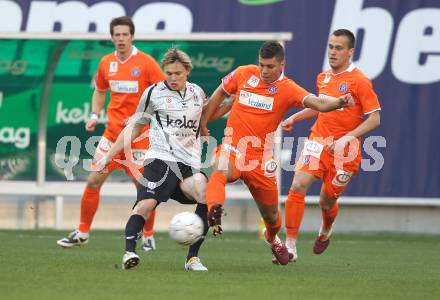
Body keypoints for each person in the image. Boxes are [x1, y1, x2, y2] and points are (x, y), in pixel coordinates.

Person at [200, 41, 354, 265]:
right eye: (261, 65)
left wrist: (339, 102)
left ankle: (272, 239)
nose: (264, 71)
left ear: (282, 64)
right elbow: (219, 93)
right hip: (233, 147)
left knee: (273, 220)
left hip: (261, 159)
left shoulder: (288, 88)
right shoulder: (243, 73)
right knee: (220, 166)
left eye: (270, 66)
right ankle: (214, 209)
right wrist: (204, 123)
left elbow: (318, 103)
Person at [96, 48, 223, 271]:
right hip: (159, 160)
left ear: (188, 72)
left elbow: (208, 114)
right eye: (169, 73)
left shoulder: (197, 92)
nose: (173, 78)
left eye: (178, 73)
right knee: (145, 205)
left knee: (205, 193)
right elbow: (134, 128)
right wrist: (108, 155)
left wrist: (231, 103)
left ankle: (192, 258)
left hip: (188, 165)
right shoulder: (153, 93)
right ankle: (129, 253)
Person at [57, 16, 165, 251]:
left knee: (146, 189)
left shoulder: (146, 63)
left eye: (125, 34)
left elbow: (163, 94)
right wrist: (94, 115)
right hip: (111, 135)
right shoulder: (106, 63)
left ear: (132, 36)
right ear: (112, 37)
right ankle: (83, 232)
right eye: (116, 35)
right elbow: (99, 91)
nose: (121, 39)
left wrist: (142, 117)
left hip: (140, 138)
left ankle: (147, 236)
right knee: (94, 180)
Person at [281, 29, 381, 262]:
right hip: (318, 142)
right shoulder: (323, 77)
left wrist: (349, 137)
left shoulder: (360, 81)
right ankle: (290, 246)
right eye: (331, 47)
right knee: (297, 185)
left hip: (346, 151)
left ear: (350, 52)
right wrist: (294, 118)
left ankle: (325, 230)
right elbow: (319, 105)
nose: (333, 52)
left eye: (339, 48)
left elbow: (375, 119)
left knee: (327, 200)